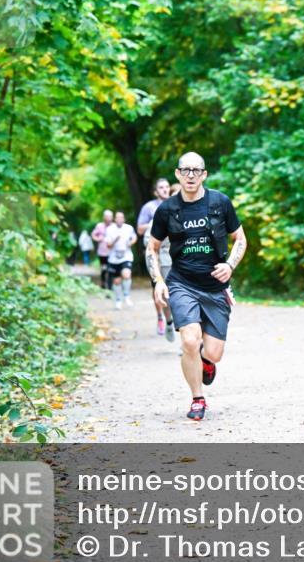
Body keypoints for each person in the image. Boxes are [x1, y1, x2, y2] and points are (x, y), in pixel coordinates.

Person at [148, 152, 247, 421]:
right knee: (190, 340)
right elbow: (153, 247)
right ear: (178, 175)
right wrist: (159, 280)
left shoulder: (220, 203)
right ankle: (197, 398)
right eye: (185, 170)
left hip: (215, 286)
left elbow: (240, 239)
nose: (190, 175)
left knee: (214, 353)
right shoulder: (167, 209)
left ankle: (206, 362)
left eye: (196, 170)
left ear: (204, 174)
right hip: (182, 283)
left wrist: (230, 266)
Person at [137, 178, 172, 336]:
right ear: (155, 191)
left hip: (172, 253)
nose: (164, 189)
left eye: (166, 187)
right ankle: (162, 317)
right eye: (161, 187)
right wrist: (155, 223)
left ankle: (175, 322)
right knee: (159, 289)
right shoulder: (149, 207)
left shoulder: (175, 203)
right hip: (155, 254)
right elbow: (139, 229)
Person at [105, 211, 137, 310]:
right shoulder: (110, 229)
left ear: (123, 219)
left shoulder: (129, 228)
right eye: (117, 218)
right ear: (115, 219)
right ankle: (118, 300)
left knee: (126, 274)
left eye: (121, 218)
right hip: (113, 259)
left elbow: (134, 237)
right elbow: (108, 245)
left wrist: (131, 243)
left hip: (126, 257)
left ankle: (126, 296)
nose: (119, 219)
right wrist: (115, 240)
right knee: (117, 281)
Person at [91, 210, 114, 289]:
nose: (109, 218)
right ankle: (103, 283)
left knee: (111, 269)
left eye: (110, 216)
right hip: (102, 252)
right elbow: (93, 235)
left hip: (112, 252)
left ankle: (110, 285)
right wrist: (98, 239)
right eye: (107, 216)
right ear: (104, 217)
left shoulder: (113, 226)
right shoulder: (99, 226)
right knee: (104, 269)